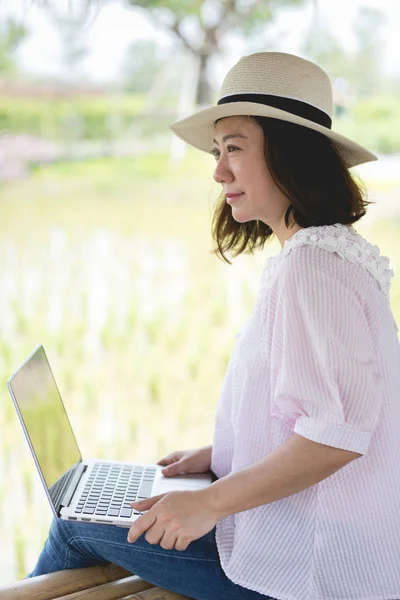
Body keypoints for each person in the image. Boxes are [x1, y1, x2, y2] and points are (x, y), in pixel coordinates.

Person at [28, 52, 400, 600]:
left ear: (287, 153)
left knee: (74, 524)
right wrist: (221, 454)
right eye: (217, 151)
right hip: (323, 539)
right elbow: (332, 407)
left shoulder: (313, 267)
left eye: (234, 149)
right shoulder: (329, 255)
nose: (218, 170)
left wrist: (205, 502)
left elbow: (334, 438)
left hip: (309, 569)